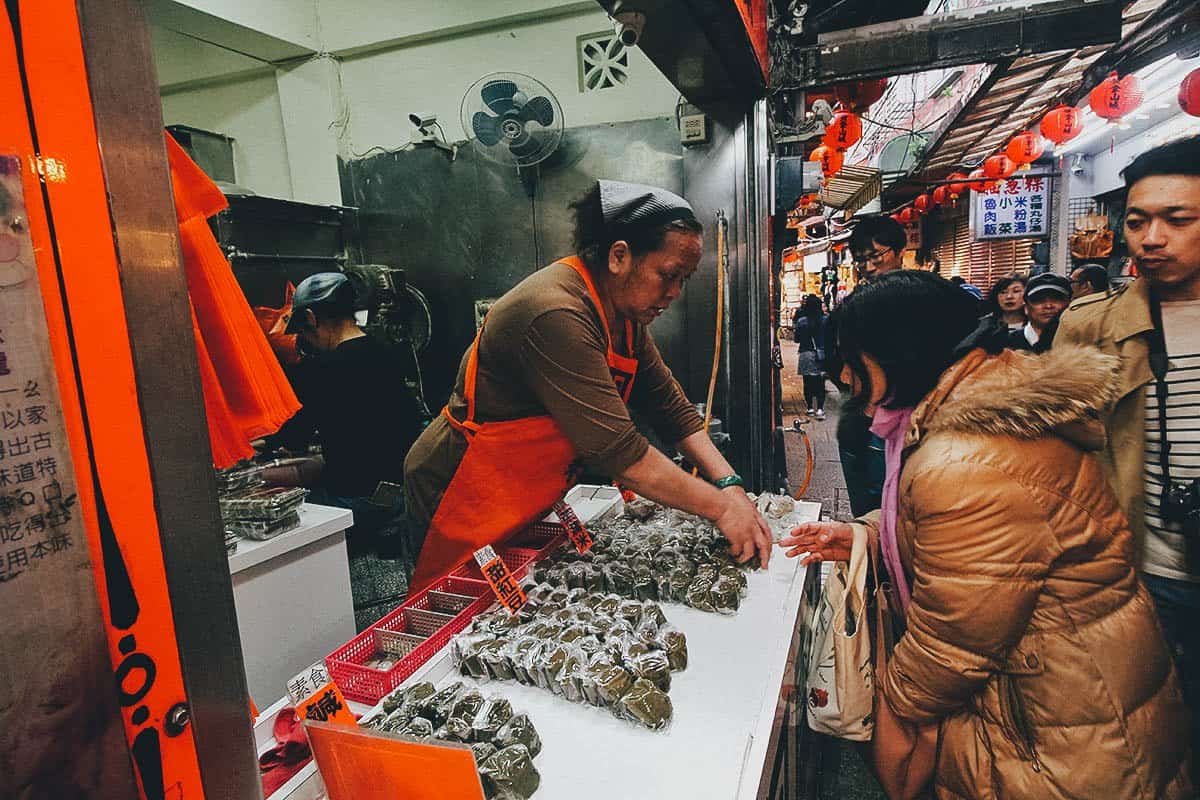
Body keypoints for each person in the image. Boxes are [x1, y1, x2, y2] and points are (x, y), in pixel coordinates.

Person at [783, 271, 1191, 799]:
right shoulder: (973, 412)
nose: (846, 376)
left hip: (1058, 725)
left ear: (900, 350)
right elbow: (982, 545)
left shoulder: (966, 458)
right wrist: (864, 535)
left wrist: (894, 707)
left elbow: (953, 638)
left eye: (854, 357)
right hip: (1072, 688)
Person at [404, 180, 772, 592]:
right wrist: (721, 509)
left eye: (684, 280)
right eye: (668, 276)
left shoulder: (625, 316)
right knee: (450, 615)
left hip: (519, 494)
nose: (673, 294)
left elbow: (672, 410)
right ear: (619, 256)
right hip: (461, 491)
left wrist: (730, 484)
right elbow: (622, 455)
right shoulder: (556, 312)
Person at [1055, 135, 1200, 771]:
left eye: (1178, 219)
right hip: (1145, 575)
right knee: (1151, 745)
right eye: (1138, 220)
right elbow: (1060, 448)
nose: (1151, 238)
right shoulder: (1091, 323)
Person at [274, 272, 425, 625]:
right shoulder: (386, 353)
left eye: (306, 332)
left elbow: (294, 432)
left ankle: (325, 624)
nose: (308, 341)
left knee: (293, 519)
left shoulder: (327, 368)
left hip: (358, 503)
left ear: (311, 319)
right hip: (399, 495)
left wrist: (263, 445)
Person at [826, 214, 906, 516]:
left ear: (899, 251)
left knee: (894, 505)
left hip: (898, 415)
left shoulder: (918, 298)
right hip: (858, 414)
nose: (869, 267)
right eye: (862, 260)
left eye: (876, 256)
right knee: (865, 504)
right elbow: (833, 351)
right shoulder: (855, 301)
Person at [1007, 272, 1070, 352]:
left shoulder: (1078, 343)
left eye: (1056, 299)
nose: (1048, 306)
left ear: (1069, 304)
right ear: (1026, 308)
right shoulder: (1005, 345)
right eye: (1039, 300)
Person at [794, 294, 827, 419]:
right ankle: (820, 409)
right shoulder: (825, 320)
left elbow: (796, 339)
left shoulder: (802, 321)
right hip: (821, 354)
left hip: (805, 354)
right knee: (820, 382)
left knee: (807, 382)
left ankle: (809, 408)